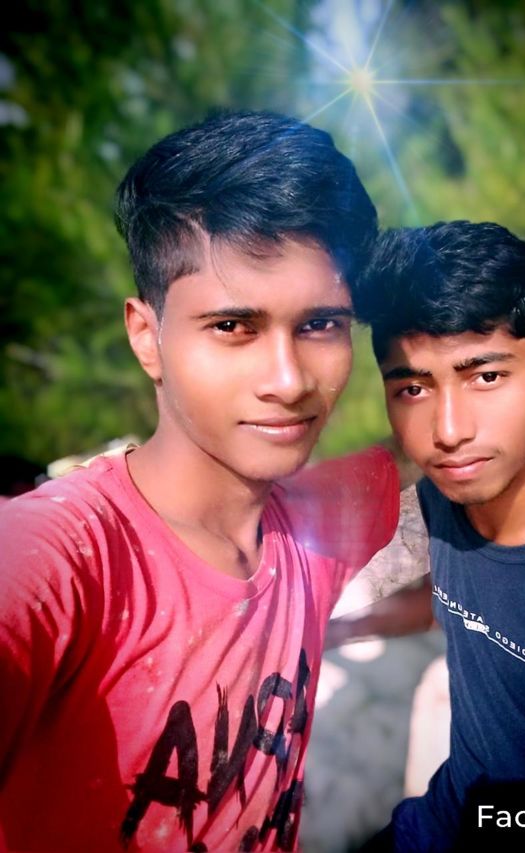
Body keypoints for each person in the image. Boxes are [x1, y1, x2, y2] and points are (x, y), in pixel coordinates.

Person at [0, 109, 401, 853]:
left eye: (320, 325)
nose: (288, 380)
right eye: (232, 326)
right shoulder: (67, 557)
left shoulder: (314, 527)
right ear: (146, 337)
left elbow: (455, 435)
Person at [346, 221, 525, 851]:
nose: (449, 430)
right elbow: (471, 600)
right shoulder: (444, 501)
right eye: (413, 388)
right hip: (436, 823)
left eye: (485, 377)